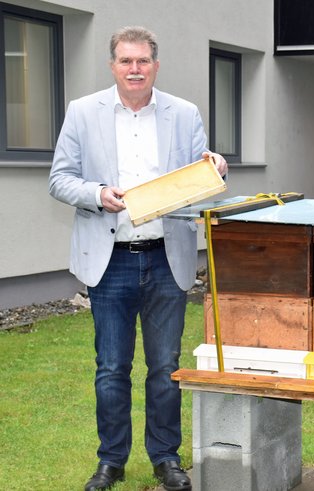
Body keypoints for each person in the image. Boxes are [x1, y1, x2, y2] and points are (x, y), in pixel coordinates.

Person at [49, 26, 227, 491]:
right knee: (111, 368)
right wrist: (97, 193)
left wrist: (215, 167)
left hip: (167, 257)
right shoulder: (83, 112)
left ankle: (166, 458)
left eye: (142, 61)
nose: (134, 69)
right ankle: (111, 462)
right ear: (112, 65)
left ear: (155, 65)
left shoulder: (184, 114)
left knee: (165, 367)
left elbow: (198, 179)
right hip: (110, 261)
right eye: (126, 61)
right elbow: (59, 179)